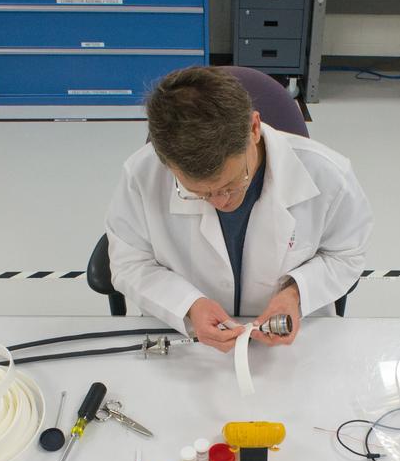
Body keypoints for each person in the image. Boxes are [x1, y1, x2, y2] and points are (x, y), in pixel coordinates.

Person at [105, 66, 372, 353]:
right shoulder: (142, 175)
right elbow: (129, 263)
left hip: (293, 341)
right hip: (186, 341)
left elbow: (346, 255)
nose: (220, 203)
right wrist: (189, 305)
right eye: (198, 193)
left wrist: (295, 294)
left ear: (254, 128)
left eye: (231, 184)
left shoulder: (329, 175)